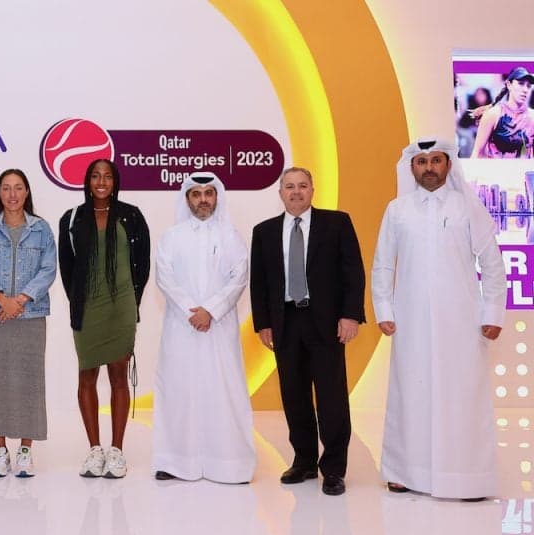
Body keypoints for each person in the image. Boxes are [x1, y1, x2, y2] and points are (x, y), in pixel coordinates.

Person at [372, 138, 507, 501]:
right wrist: (383, 309)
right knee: (410, 393)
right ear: (411, 168)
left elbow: (492, 264)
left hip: (461, 321)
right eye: (421, 162)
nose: (429, 168)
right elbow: (383, 264)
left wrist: (493, 311)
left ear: (448, 165)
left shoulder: (467, 207)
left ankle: (467, 476)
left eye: (435, 160)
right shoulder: (397, 210)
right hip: (410, 320)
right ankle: (404, 471)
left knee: (462, 396)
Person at [249, 167, 365, 496]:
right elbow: (259, 281)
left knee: (331, 398)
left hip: (326, 323)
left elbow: (353, 272)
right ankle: (303, 461)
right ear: (280, 193)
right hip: (285, 322)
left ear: (313, 190)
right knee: (294, 395)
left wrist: (350, 316)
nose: (296, 192)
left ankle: (334, 469)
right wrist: (264, 323)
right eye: (289, 187)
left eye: (302, 186)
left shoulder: (337, 223)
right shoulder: (265, 231)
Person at [152, 172, 256, 483]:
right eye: (196, 194)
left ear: (217, 197)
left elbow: (239, 277)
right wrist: (191, 310)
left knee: (222, 391)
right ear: (187, 199)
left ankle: (229, 463)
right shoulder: (172, 237)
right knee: (178, 390)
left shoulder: (230, 236)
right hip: (181, 327)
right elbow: (164, 277)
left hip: (219, 329)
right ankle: (174, 461)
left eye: (208, 193)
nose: (203, 200)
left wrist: (210, 310)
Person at [59, 159, 150, 479]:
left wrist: (130, 302)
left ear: (115, 181)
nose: (101, 182)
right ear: (87, 181)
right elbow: (67, 269)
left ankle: (117, 451)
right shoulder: (72, 218)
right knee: (86, 375)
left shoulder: (132, 216)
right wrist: (80, 303)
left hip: (121, 306)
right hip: (87, 308)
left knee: (118, 375)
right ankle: (94, 450)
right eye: (95, 176)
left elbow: (142, 265)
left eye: (107, 176)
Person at [0, 169, 57, 477]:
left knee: (28, 382)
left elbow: (48, 269)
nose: (12, 194)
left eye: (18, 188)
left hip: (29, 316)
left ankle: (25, 451)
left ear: (27, 192)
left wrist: (19, 300)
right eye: (6, 188)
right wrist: (1, 299)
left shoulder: (41, 229)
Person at [471, 66, 534, 159]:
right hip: (495, 168)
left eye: (528, 86)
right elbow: (477, 152)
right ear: (509, 85)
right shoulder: (493, 114)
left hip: (524, 168)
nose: (525, 90)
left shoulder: (532, 117)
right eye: (520, 84)